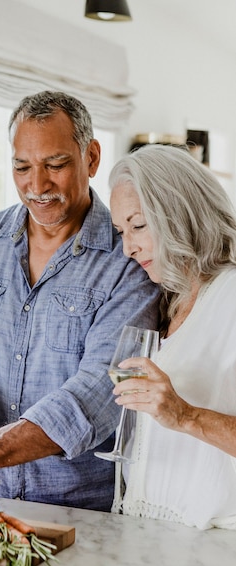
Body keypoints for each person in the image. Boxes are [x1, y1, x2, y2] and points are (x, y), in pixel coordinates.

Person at [0, 90, 159, 520]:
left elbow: (100, 392)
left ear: (91, 157)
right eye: (22, 166)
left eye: (55, 164)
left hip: (83, 513)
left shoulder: (129, 258)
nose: (37, 185)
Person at [108, 143, 236, 530]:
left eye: (138, 225)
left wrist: (186, 416)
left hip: (215, 544)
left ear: (179, 212)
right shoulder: (169, 298)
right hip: (153, 534)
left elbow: (179, 417)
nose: (128, 247)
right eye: (120, 231)